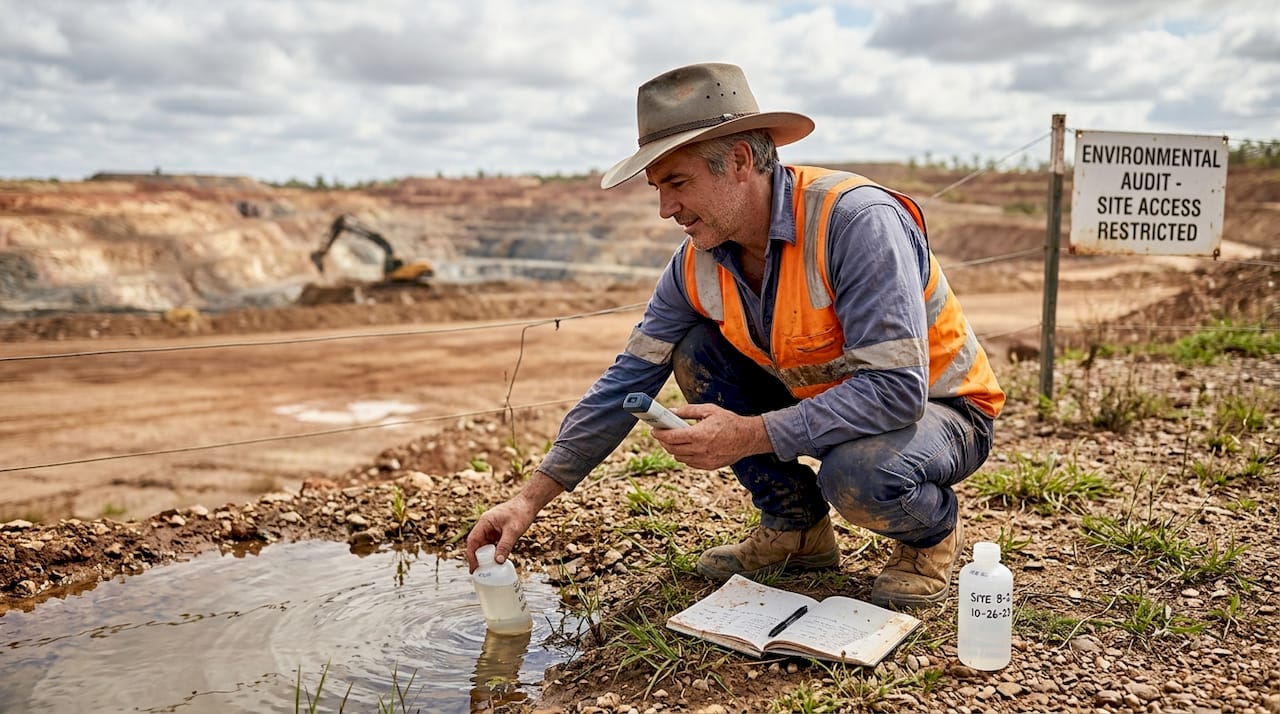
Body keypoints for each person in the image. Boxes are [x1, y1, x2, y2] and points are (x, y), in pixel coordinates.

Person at [465, 62, 1004, 608]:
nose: (664, 208)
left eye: (677, 183)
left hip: (940, 409)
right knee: (696, 350)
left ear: (741, 161)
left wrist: (749, 434)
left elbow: (894, 391)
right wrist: (528, 501)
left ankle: (928, 536)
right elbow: (624, 381)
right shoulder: (695, 264)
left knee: (859, 474)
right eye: (657, 188)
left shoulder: (857, 222)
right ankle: (796, 533)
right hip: (827, 403)